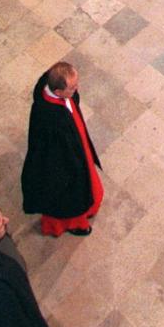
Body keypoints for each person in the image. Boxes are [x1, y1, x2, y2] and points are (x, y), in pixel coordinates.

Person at [21, 61, 103, 238]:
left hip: (75, 145)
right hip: (64, 165)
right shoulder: (50, 118)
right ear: (58, 92)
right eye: (72, 88)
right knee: (70, 197)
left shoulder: (53, 85)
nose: (76, 89)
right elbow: (56, 155)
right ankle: (74, 224)